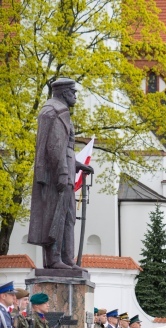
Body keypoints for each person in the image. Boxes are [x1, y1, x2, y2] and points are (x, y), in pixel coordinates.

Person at [28, 78, 94, 269]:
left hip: (62, 172)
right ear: (65, 92)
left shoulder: (56, 111)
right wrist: (64, 172)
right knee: (56, 216)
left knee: (67, 216)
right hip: (57, 175)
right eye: (73, 92)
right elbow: (54, 148)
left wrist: (77, 165)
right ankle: (55, 259)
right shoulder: (55, 112)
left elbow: (64, 149)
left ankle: (66, 259)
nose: (75, 97)